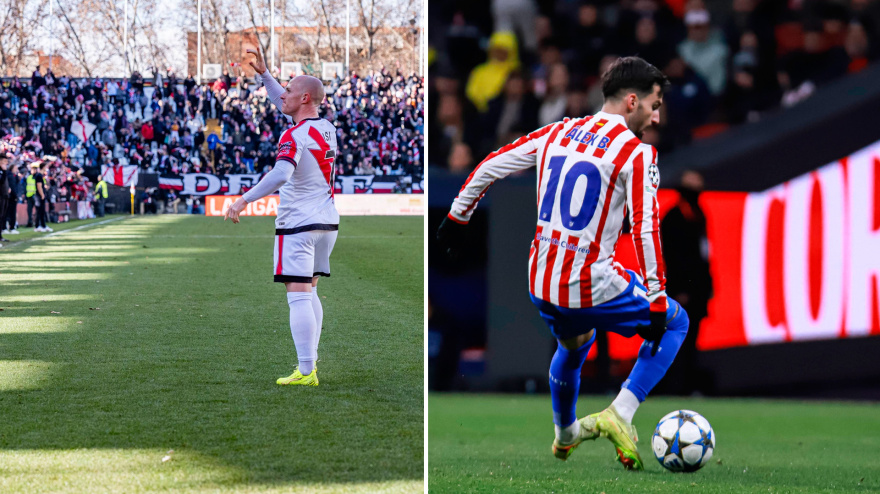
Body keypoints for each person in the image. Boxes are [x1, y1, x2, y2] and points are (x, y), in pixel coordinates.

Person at [436, 57, 690, 470]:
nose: (657, 116)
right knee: (677, 323)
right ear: (631, 101)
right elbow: (646, 229)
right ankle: (620, 413)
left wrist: (457, 216)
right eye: (654, 104)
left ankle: (565, 433)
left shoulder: (559, 131)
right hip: (587, 281)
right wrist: (658, 297)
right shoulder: (637, 153)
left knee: (574, 345)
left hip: (540, 281)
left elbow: (491, 164)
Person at [224, 48, 339, 387]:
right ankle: (311, 366)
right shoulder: (326, 127)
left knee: (298, 295)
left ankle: (306, 371)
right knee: (311, 292)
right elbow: (286, 103)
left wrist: (244, 199)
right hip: (327, 222)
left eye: (289, 90)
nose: (282, 95)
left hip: (298, 224)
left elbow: (281, 174)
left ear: (304, 98)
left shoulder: (293, 135)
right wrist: (264, 76)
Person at [659, 170, 713, 394]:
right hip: (680, 291)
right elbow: (672, 257)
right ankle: (671, 386)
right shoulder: (674, 217)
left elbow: (704, 256)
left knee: (692, 341)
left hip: (697, 290)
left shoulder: (699, 214)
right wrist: (680, 288)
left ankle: (687, 386)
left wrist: (707, 287)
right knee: (674, 338)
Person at [33, 161, 52, 232]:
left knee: (42, 211)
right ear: (43, 167)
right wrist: (42, 195)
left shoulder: (41, 176)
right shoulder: (39, 176)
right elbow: (39, 186)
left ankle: (43, 225)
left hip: (40, 195)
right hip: (39, 196)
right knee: (39, 211)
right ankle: (38, 226)